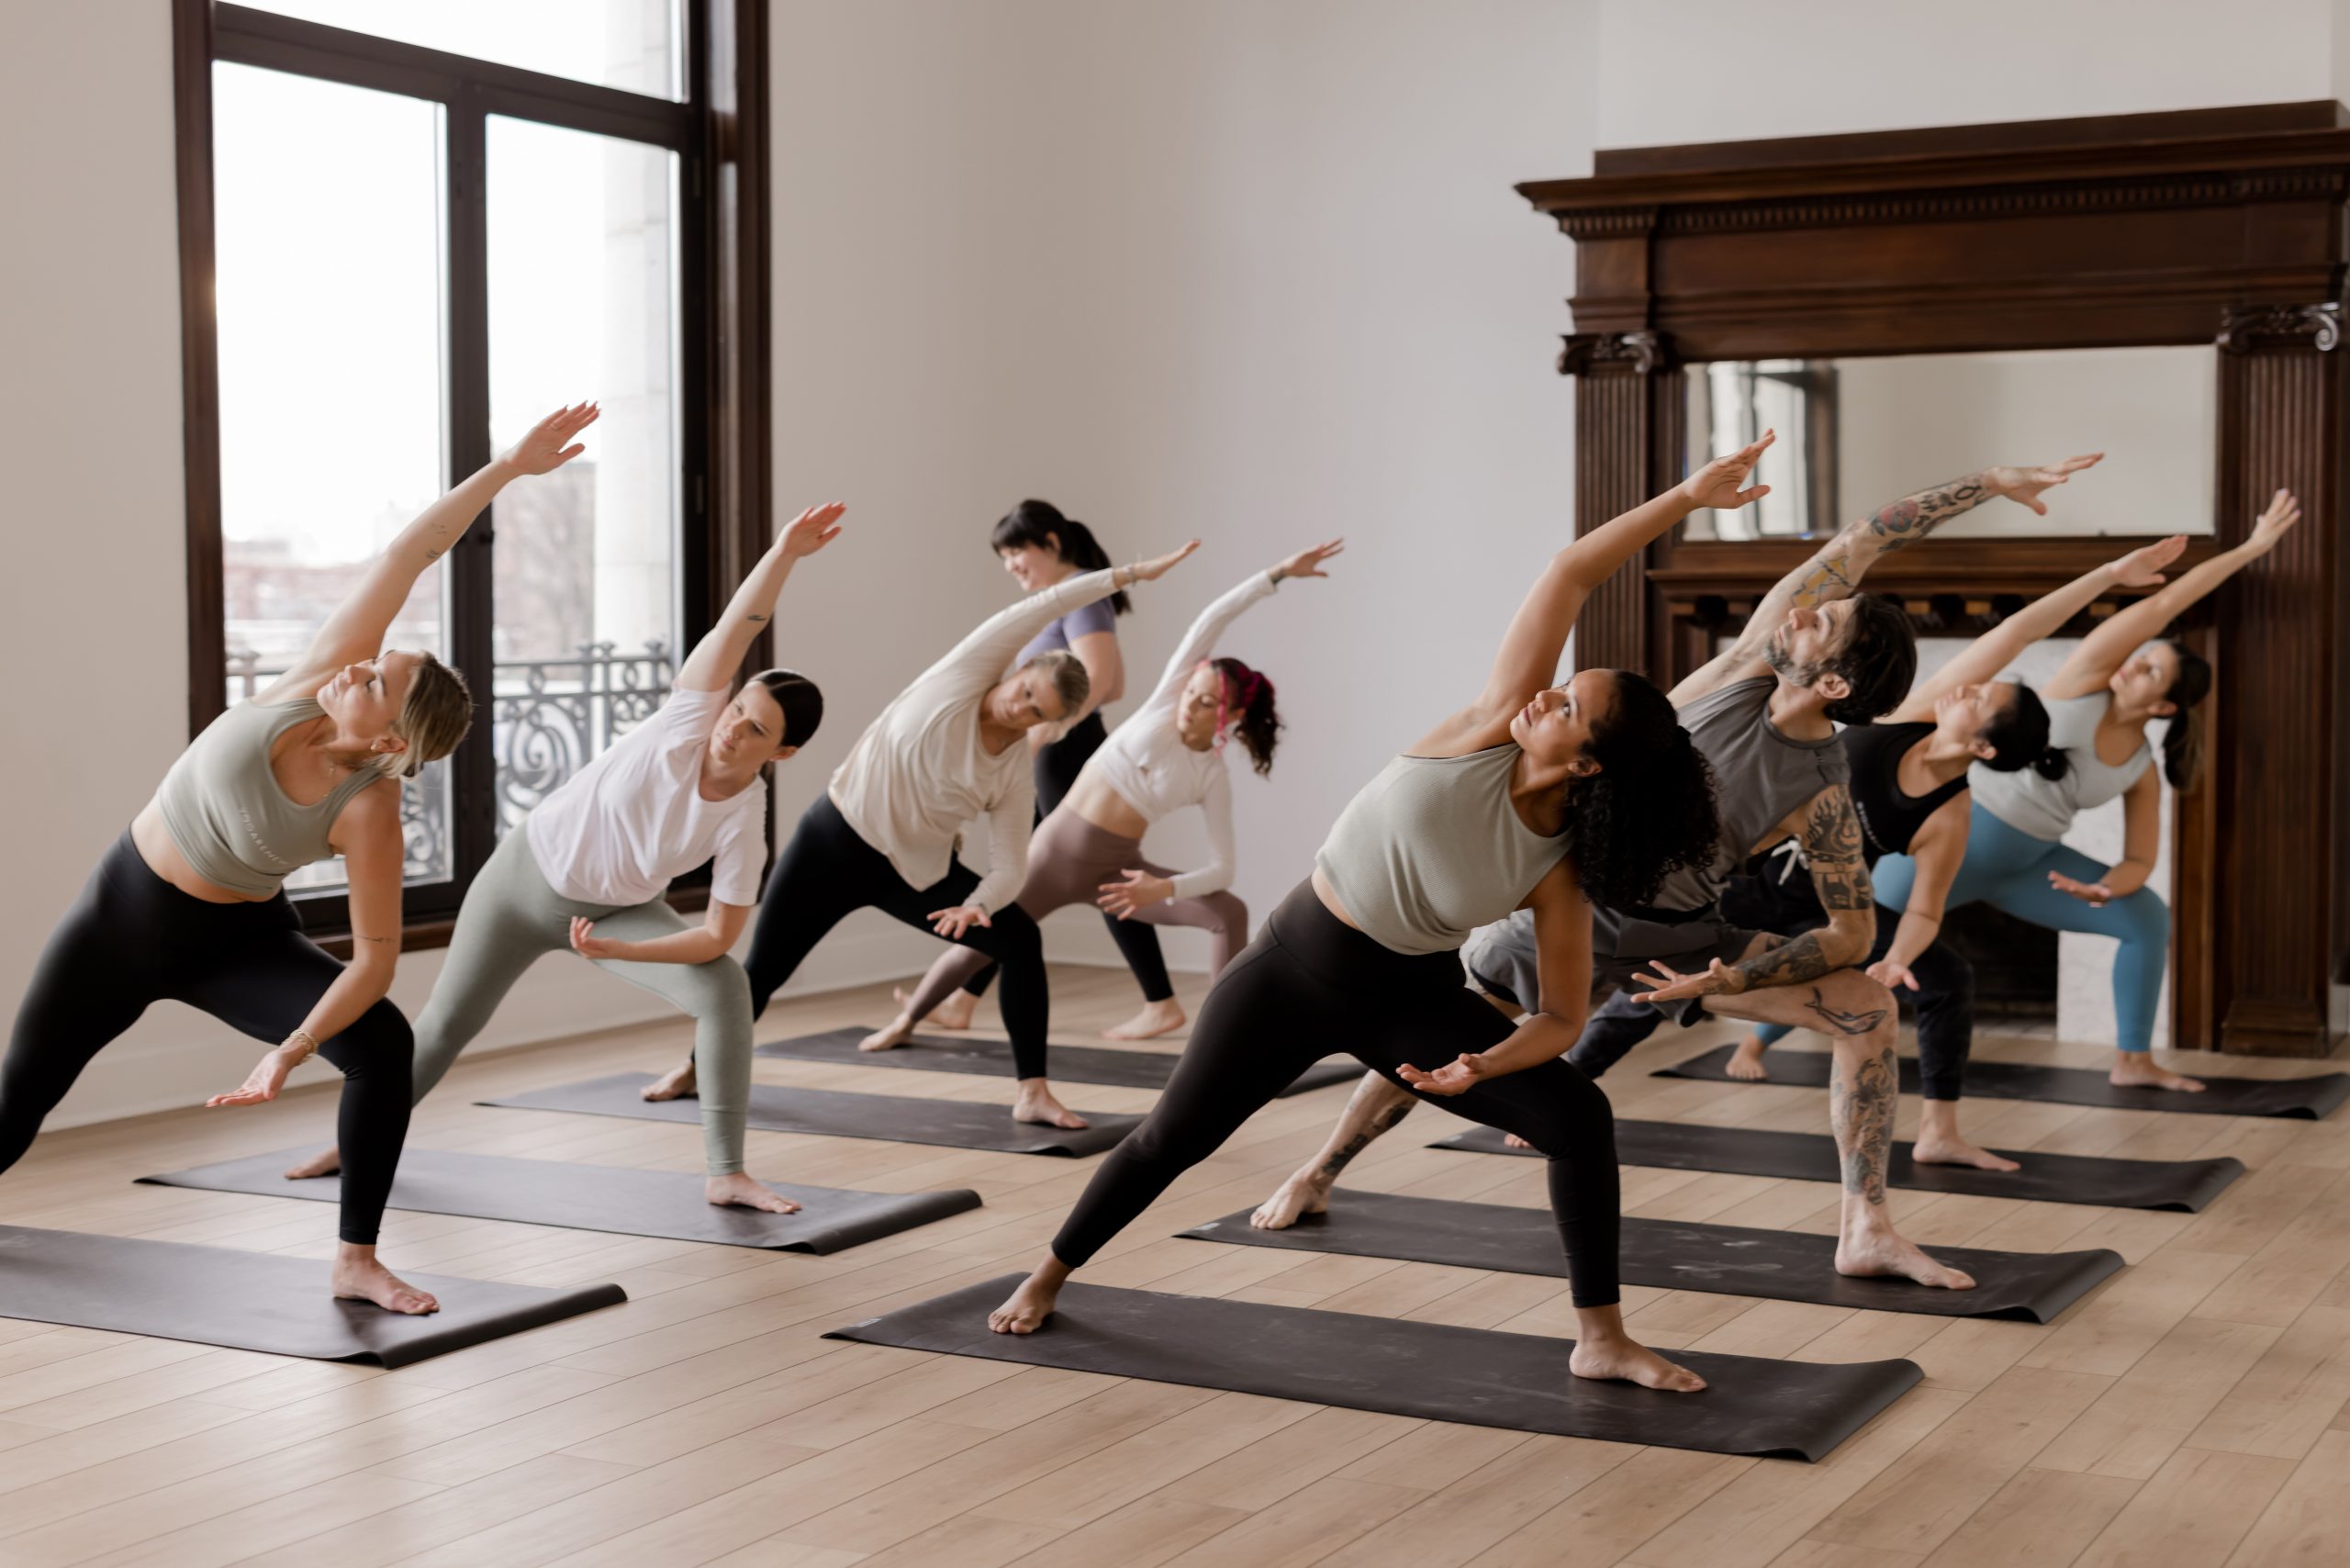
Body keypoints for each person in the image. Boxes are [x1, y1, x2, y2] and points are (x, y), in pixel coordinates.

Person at [983, 440, 1767, 1394]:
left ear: (1590, 763)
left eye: (1568, 704)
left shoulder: (1558, 870)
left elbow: (1561, 1018)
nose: (1548, 693)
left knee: (1579, 1116)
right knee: (1174, 1138)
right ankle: (1050, 1270)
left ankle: (1598, 1335)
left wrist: (1482, 1060)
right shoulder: (1490, 724)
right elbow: (1568, 572)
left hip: (1409, 997)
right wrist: (1688, 494)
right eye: (1563, 681)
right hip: (1293, 965)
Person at [1259, 449, 2108, 1294]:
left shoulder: (1819, 790)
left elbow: (1850, 932)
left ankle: (1867, 1229)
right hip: (1567, 909)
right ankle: (1322, 1169)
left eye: (1823, 624)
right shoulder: (1746, 667)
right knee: (1439, 1042)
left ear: (1836, 680)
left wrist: (1736, 970)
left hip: (1679, 939)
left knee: (1868, 1008)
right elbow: (1864, 539)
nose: (1803, 613)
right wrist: (1988, 484)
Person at [6, 402, 598, 1315]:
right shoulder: (315, 677)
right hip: (120, 913)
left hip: (233, 938)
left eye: (377, 682)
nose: (358, 669)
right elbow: (410, 554)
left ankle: (356, 1258)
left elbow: (375, 959)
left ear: (395, 742)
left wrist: (290, 1050)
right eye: (373, 662)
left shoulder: (368, 808)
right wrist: (507, 471)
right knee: (18, 1103)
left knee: (384, 1043)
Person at [282, 502, 849, 1214]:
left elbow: (716, 937)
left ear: (783, 753)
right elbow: (738, 626)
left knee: (727, 989)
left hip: (616, 912)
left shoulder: (745, 820)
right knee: (443, 1025)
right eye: (739, 710)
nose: (733, 729)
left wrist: (620, 947)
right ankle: (353, 1142)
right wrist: (785, 555)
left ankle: (726, 1171)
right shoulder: (685, 720)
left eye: (756, 730)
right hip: (520, 883)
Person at [643, 540, 1200, 1129]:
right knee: (763, 970)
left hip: (912, 872)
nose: (1021, 708)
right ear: (1019, 670)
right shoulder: (962, 676)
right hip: (831, 841)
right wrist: (1131, 574)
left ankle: (1032, 1091)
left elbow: (1012, 864)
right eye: (1026, 691)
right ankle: (695, 1067)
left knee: (1018, 940)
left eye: (1039, 712)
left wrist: (978, 905)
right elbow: (1041, 607)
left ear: (1050, 723)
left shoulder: (1012, 773)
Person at [1699, 536, 2194, 1165]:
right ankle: (1566, 1076)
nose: (1970, 688)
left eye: (1984, 697)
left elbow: (1926, 913)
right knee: (1652, 966)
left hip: (1837, 910)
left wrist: (1896, 958)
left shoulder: (1952, 810)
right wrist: (2110, 574)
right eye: (1976, 686)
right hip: (1753, 884)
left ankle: (1938, 1133)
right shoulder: (1897, 719)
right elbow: (2013, 634)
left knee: (1941, 975)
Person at [1869, 488, 2300, 1092]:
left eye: (2149, 670)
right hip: (1954, 843)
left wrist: (2101, 888)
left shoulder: (2140, 769)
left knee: (2146, 915)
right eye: (2140, 656)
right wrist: (2252, 547)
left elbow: (2139, 859)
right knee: (1861, 930)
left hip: (2031, 865)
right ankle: (1760, 1034)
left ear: (2164, 705)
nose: (2132, 665)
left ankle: (2133, 1060)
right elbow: (2168, 600)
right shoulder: (2083, 680)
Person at [863, 539, 1342, 1053]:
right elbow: (1212, 617)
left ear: (1231, 717)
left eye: (1205, 703)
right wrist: (1277, 574)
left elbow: (1223, 867)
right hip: (1050, 859)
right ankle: (909, 1019)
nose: (1189, 706)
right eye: (1191, 693)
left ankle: (1222, 1042)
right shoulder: (1163, 705)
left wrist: (1163, 890)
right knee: (982, 935)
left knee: (1228, 910)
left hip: (1116, 875)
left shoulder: (1210, 776)